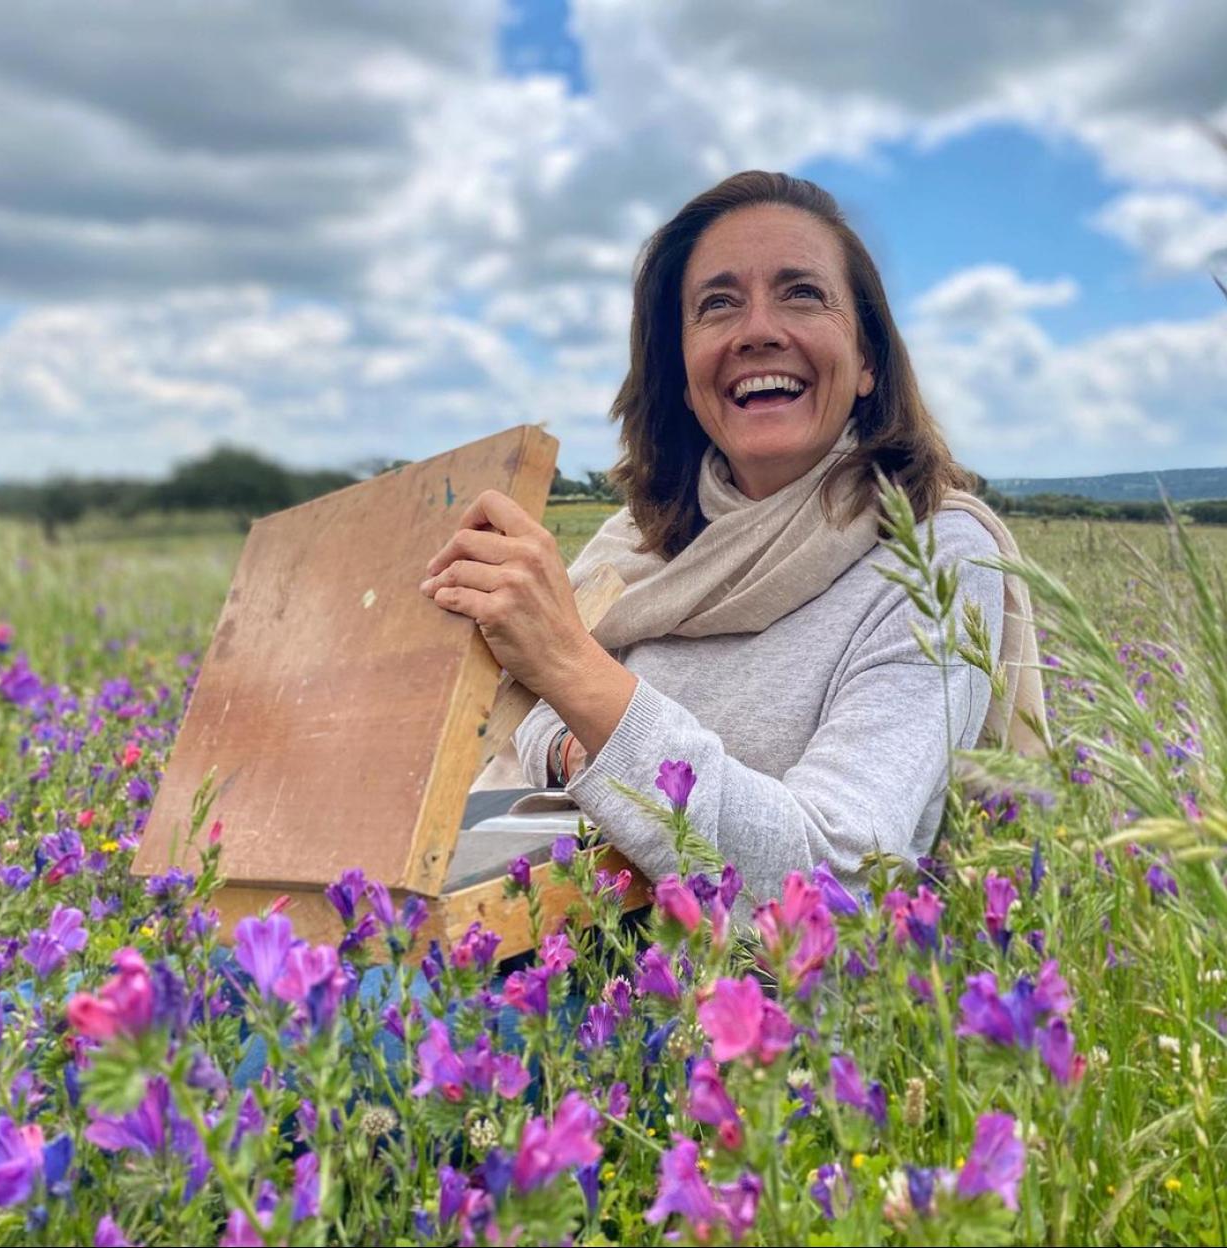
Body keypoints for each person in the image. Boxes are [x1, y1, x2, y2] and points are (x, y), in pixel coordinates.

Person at [420, 171, 1048, 905]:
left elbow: (834, 874)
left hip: (768, 1004)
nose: (757, 330)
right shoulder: (641, 543)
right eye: (718, 304)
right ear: (684, 377)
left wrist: (573, 669)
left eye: (802, 293)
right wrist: (571, 736)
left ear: (869, 361)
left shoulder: (932, 556)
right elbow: (540, 704)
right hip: (577, 951)